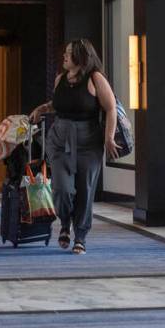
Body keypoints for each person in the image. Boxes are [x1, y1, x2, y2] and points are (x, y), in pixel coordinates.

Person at [29, 39, 120, 254]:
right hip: (60, 141)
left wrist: (109, 137)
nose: (64, 56)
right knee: (61, 188)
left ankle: (80, 236)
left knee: (85, 191)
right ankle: (64, 223)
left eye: (68, 53)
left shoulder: (95, 78)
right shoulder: (60, 78)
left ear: (80, 57)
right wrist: (42, 109)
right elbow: (59, 104)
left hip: (88, 143)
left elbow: (111, 108)